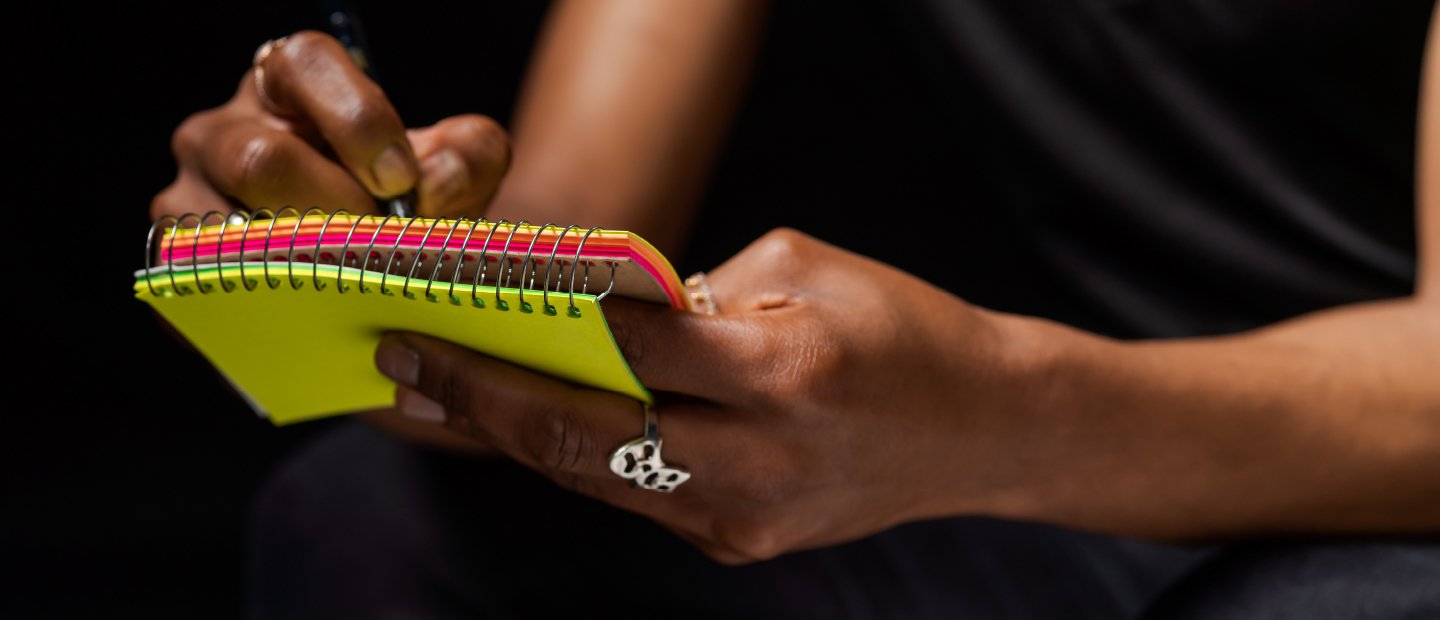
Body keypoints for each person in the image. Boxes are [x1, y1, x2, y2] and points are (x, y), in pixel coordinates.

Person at [150, 0, 1439, 617]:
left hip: (1350, 473)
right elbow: (565, 232)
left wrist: (992, 415)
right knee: (373, 525)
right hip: (984, 458)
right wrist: (346, 251)